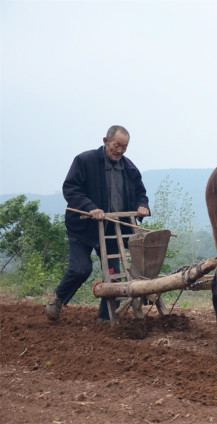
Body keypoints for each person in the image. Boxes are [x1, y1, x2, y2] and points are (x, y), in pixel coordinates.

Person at [45, 125, 150, 322]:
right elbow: (71, 188)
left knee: (114, 276)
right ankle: (58, 298)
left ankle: (105, 318)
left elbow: (140, 193)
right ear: (105, 141)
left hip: (113, 231)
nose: (120, 150)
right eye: (116, 145)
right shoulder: (85, 161)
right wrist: (90, 207)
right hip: (84, 229)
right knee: (81, 269)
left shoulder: (129, 168)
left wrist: (142, 206)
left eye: (124, 147)